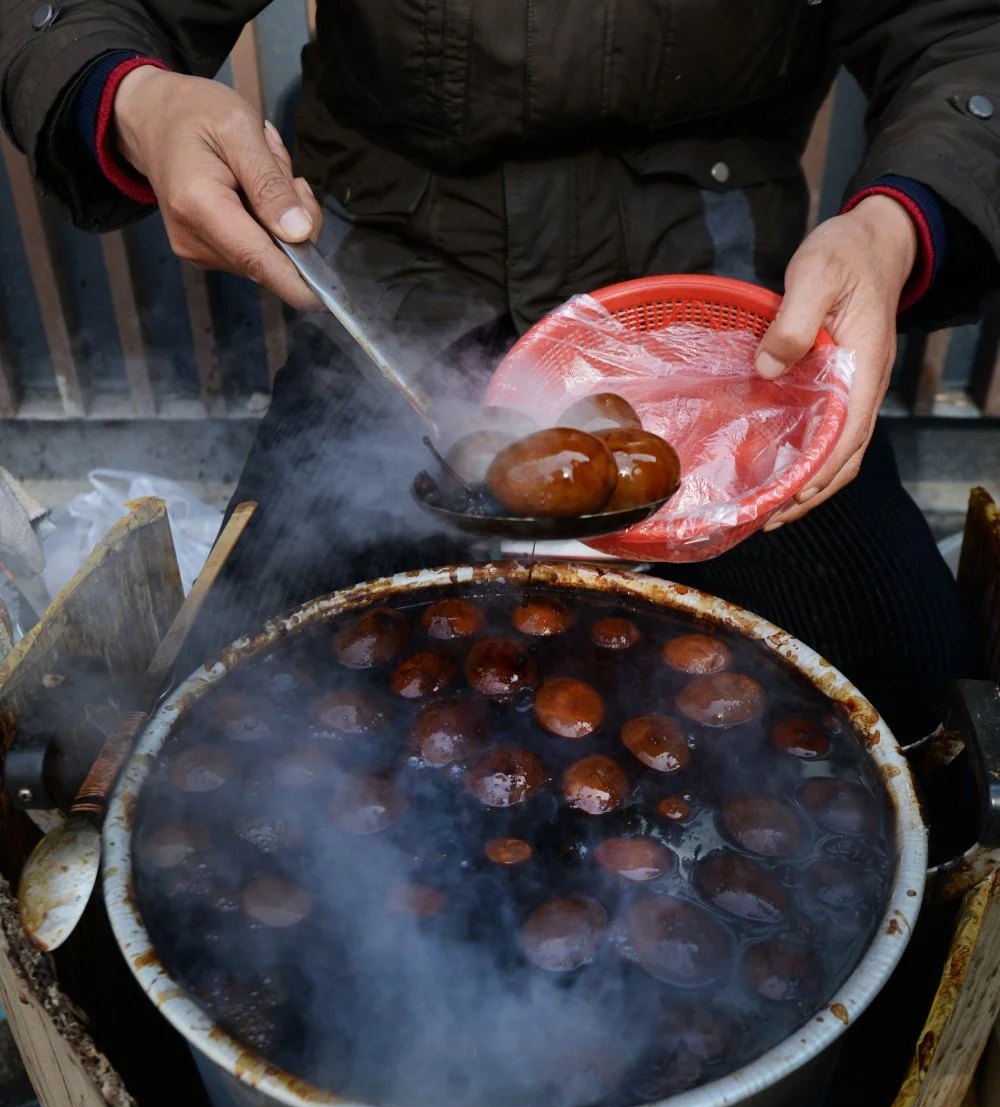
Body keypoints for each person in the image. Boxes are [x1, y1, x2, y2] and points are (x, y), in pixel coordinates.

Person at [1, 0, 996, 742]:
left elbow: (962, 30)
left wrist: (895, 225)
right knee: (256, 713)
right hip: (395, 323)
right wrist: (137, 97)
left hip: (723, 338)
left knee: (899, 690)